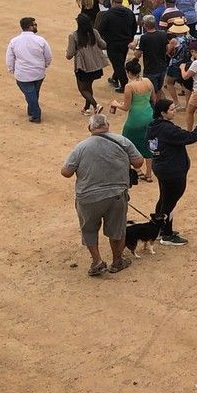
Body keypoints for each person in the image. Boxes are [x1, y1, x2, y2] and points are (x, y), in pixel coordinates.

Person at [61, 113, 143, 275]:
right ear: (108, 125)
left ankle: (97, 261)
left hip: (88, 197)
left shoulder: (81, 147)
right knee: (117, 230)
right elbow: (138, 162)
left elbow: (66, 172)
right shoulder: (122, 141)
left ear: (90, 128)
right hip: (116, 195)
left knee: (89, 229)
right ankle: (117, 262)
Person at [145, 98, 197, 245]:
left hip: (161, 167)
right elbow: (192, 137)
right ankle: (166, 234)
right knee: (170, 202)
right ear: (162, 113)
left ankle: (159, 228)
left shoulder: (152, 127)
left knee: (164, 199)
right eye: (171, 110)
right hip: (173, 171)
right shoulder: (168, 130)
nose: (174, 112)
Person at [112, 58, 155, 183]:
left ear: (129, 72)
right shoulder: (147, 81)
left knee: (126, 142)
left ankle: (136, 170)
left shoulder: (129, 86)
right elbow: (153, 98)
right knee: (149, 144)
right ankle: (148, 174)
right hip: (148, 115)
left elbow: (126, 107)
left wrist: (116, 104)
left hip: (135, 119)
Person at [6, 16, 52, 123]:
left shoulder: (14, 41)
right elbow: (48, 56)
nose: (36, 26)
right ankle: (32, 110)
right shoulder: (41, 40)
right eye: (34, 25)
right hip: (38, 73)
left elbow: (10, 57)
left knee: (30, 93)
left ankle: (35, 114)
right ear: (29, 27)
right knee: (34, 93)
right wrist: (44, 65)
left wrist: (11, 69)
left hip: (23, 74)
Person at [66, 13, 108, 115]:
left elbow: (69, 54)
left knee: (83, 89)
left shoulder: (74, 36)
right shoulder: (94, 32)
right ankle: (86, 108)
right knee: (88, 87)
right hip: (95, 65)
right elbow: (104, 45)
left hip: (83, 66)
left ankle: (96, 105)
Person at [96, 0, 137, 93]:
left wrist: (101, 41)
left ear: (112, 1)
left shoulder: (108, 14)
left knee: (117, 63)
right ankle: (115, 78)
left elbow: (100, 29)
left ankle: (124, 85)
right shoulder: (129, 12)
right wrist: (130, 39)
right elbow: (134, 27)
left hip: (112, 43)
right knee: (120, 61)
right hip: (126, 42)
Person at [132, 16, 170, 94]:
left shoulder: (144, 38)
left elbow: (137, 55)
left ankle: (153, 106)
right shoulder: (163, 34)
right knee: (159, 90)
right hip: (162, 67)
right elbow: (167, 50)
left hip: (150, 69)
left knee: (151, 92)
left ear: (144, 25)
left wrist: (135, 46)